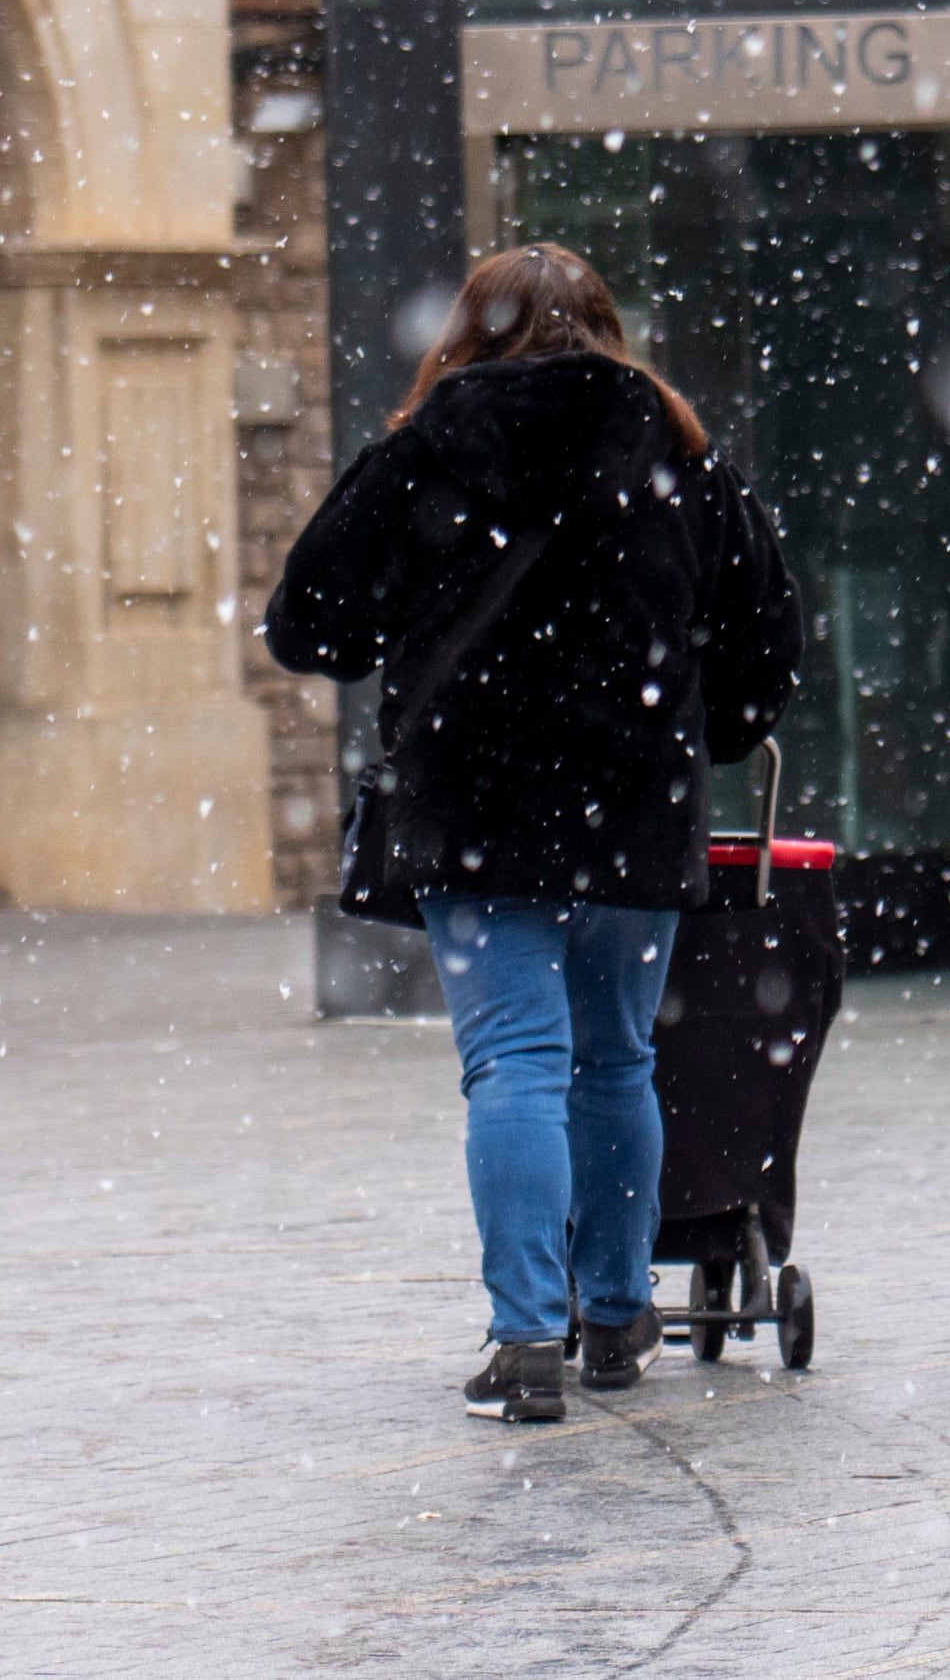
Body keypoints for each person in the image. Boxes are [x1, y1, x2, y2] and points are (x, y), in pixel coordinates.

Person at [267, 244, 801, 1423]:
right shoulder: (682, 453)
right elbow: (767, 628)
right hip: (636, 806)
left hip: (477, 809)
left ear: (469, 330)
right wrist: (714, 725)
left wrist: (397, 642)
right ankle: (615, 1317)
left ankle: (525, 1341)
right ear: (607, 328)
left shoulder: (425, 449)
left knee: (514, 1062)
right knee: (617, 1061)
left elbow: (305, 622)